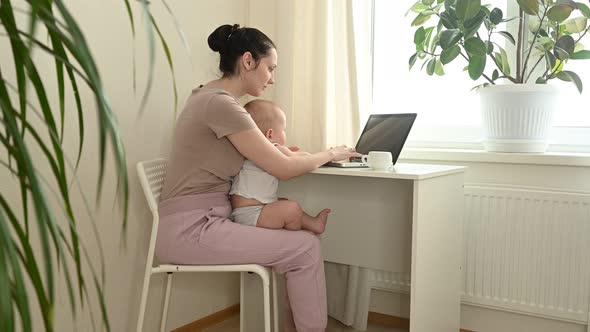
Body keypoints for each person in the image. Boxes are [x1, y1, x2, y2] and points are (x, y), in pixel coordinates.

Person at [156, 23, 360, 332]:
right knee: (305, 248)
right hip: (192, 229)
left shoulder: (210, 98)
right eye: (270, 68)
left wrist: (291, 152)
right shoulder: (221, 105)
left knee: (302, 244)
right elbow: (284, 169)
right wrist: (331, 153)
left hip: (203, 220)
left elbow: (273, 155)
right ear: (248, 61)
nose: (272, 78)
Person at [230, 100, 331, 234]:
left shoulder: (249, 150)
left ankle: (313, 224)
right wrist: (323, 155)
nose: (285, 134)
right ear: (270, 135)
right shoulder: (272, 148)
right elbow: (300, 159)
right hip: (252, 214)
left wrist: (289, 152)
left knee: (283, 201)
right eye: (283, 130)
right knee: (292, 208)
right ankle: (292, 235)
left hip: (245, 211)